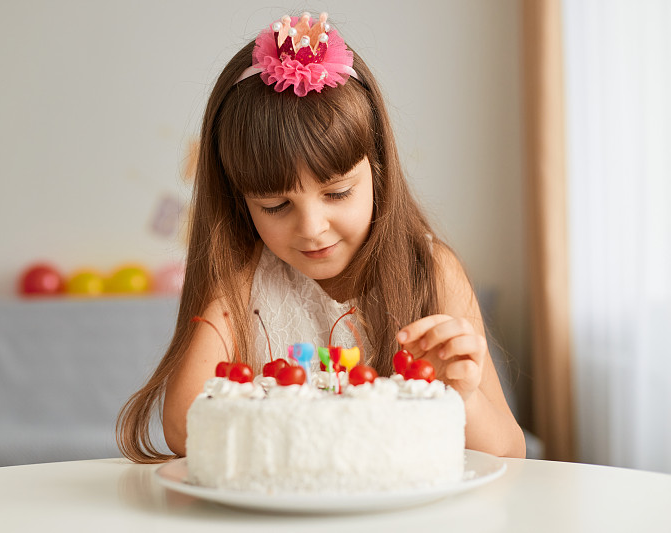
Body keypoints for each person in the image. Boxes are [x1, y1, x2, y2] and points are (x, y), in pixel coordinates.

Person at [117, 13, 526, 463]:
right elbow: (183, 428)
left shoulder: (428, 270)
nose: (311, 228)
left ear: (378, 171)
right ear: (240, 202)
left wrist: (462, 399)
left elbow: (509, 452)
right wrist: (225, 294)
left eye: (337, 193)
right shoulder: (243, 284)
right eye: (275, 206)